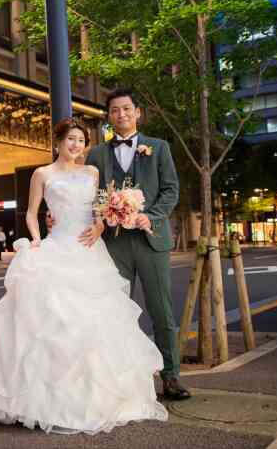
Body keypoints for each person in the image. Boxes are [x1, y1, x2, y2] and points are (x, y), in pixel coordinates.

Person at [0, 118, 168, 435]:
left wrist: (100, 227)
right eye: (71, 139)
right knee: (49, 323)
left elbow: (98, 209)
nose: (76, 145)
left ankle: (96, 398)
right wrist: (35, 239)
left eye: (81, 140)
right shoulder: (42, 174)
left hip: (89, 247)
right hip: (57, 245)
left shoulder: (92, 172)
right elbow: (31, 212)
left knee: (96, 322)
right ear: (58, 142)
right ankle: (37, 402)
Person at [85, 88, 190, 401]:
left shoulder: (158, 148)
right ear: (109, 116)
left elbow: (171, 190)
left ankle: (171, 377)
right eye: (115, 110)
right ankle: (117, 381)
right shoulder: (96, 155)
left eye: (127, 109)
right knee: (115, 312)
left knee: (162, 312)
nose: (121, 115)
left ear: (138, 112)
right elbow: (88, 197)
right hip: (113, 245)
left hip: (150, 241)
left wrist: (151, 217)